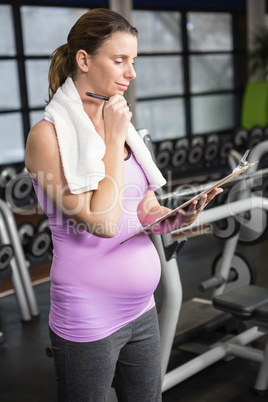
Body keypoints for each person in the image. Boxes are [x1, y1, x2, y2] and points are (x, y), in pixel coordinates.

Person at [25, 8, 222, 402]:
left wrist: (172, 217)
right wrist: (113, 139)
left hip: (142, 309)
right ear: (84, 59)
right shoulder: (48, 137)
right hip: (88, 318)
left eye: (134, 61)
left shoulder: (123, 123)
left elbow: (141, 207)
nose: (131, 72)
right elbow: (101, 221)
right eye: (119, 60)